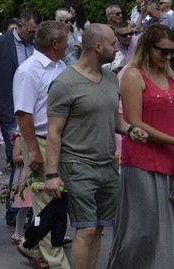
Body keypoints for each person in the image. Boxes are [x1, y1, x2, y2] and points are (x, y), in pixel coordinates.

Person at [45, 24, 146, 269]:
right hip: (77, 165)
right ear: (98, 47)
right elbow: (54, 132)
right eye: (113, 43)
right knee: (86, 229)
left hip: (107, 164)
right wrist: (51, 175)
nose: (117, 48)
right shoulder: (64, 83)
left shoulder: (111, 78)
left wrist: (130, 129)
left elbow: (113, 118)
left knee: (99, 228)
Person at [107, 25, 174, 268]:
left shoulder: (168, 74)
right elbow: (135, 122)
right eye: (163, 51)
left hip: (169, 158)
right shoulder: (133, 74)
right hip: (142, 160)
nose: (167, 57)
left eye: (171, 52)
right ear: (147, 46)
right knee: (141, 230)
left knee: (165, 229)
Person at [12, 21, 70, 268]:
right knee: (48, 203)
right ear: (56, 44)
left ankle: (31, 246)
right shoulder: (29, 70)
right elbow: (23, 114)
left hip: (59, 141)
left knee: (53, 201)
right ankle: (56, 262)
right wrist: (33, 149)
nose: (70, 43)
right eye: (66, 40)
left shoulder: (61, 65)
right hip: (41, 140)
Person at [0, 9, 42, 173]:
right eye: (31, 31)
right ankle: (19, 195)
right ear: (19, 26)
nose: (33, 36)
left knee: (35, 159)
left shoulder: (38, 43)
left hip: (35, 109)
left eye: (36, 32)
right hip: (9, 109)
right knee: (17, 159)